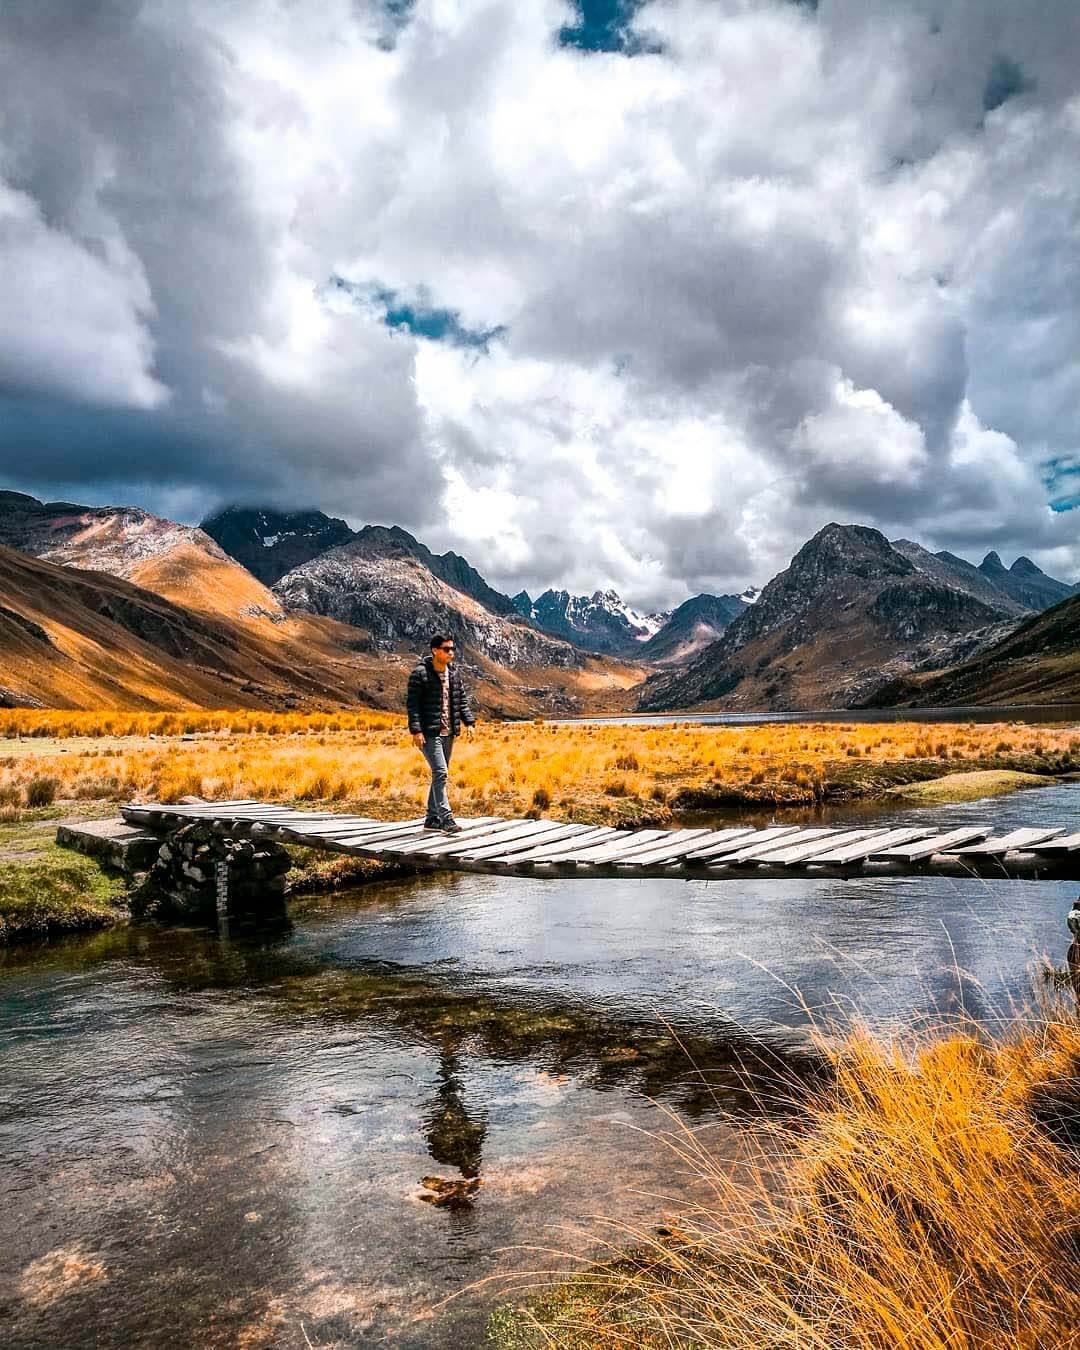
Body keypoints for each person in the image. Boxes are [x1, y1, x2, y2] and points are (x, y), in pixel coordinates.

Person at [406, 632, 476, 832]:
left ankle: (431, 818)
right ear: (435, 651)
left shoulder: (453, 673)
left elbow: (461, 700)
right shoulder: (420, 674)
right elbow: (413, 705)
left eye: (453, 649)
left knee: (439, 775)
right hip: (429, 732)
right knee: (441, 772)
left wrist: (469, 722)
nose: (451, 653)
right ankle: (446, 819)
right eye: (446, 649)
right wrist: (416, 731)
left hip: (449, 733)